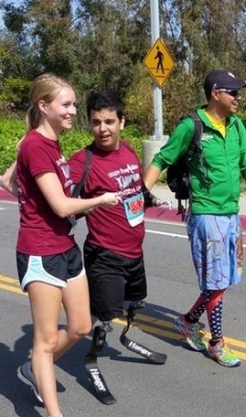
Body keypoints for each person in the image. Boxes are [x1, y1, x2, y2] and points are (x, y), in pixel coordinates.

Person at [0, 74, 119, 417]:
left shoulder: (46, 144)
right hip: (40, 252)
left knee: (81, 325)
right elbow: (63, 206)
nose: (72, 111)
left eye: (72, 104)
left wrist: (27, 196)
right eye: (66, 105)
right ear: (44, 107)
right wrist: (100, 200)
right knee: (46, 341)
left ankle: (33, 368)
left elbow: (7, 181)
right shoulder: (36, 146)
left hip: (66, 248)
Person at [142, 69, 246, 367]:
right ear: (216, 93)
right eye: (233, 92)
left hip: (230, 215)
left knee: (223, 279)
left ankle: (187, 321)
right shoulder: (192, 126)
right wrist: (141, 192)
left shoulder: (236, 126)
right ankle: (216, 343)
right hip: (205, 215)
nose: (238, 97)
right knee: (216, 281)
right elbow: (162, 158)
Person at [68, 92, 168, 342]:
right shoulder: (82, 162)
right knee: (90, 321)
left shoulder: (128, 150)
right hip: (105, 254)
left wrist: (152, 199)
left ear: (121, 122)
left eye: (109, 121)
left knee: (127, 304)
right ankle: (45, 358)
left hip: (134, 251)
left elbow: (135, 188)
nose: (102, 129)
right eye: (95, 122)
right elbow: (61, 203)